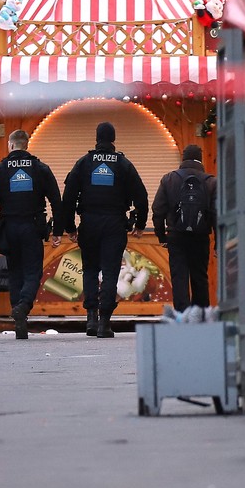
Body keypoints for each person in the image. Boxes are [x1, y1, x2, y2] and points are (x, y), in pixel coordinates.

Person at [60, 121, 149, 338]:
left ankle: (91, 318)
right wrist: (139, 225)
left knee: (90, 269)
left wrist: (70, 227)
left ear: (96, 138)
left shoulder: (84, 163)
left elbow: (68, 197)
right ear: (113, 139)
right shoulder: (123, 164)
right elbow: (141, 196)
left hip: (89, 223)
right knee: (110, 271)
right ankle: (104, 323)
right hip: (114, 224)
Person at [0, 128, 63, 339]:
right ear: (26, 144)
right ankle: (24, 306)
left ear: (10, 145)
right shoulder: (40, 169)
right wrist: (58, 230)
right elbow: (56, 200)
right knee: (33, 272)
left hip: (8, 228)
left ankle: (19, 318)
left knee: (15, 272)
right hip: (32, 227)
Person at [152, 143, 217, 315]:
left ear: (183, 158)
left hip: (176, 236)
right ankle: (201, 317)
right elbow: (217, 214)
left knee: (179, 277)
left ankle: (182, 316)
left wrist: (161, 236)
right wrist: (218, 243)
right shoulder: (211, 182)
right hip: (200, 237)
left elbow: (158, 210)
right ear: (200, 159)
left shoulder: (169, 179)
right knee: (200, 277)